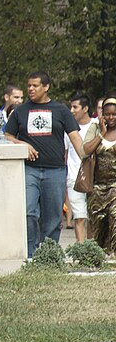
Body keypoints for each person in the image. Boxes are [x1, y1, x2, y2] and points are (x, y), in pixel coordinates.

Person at [4, 72, 85, 258]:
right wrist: (22, 144)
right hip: (29, 169)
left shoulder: (61, 110)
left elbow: (75, 138)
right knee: (28, 211)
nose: (30, 89)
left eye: (35, 86)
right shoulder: (20, 111)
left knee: (53, 217)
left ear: (46, 87)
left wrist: (86, 160)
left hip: (55, 170)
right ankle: (31, 254)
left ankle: (48, 255)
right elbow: (7, 136)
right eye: (29, 86)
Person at [84, 98, 116, 251]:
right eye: (107, 114)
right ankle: (98, 258)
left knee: (115, 221)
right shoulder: (95, 128)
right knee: (97, 228)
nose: (111, 118)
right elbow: (86, 150)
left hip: (115, 187)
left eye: (114, 114)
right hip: (97, 187)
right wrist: (102, 134)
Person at [66, 94, 97, 243]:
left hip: (94, 178)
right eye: (70, 107)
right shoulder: (68, 128)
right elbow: (64, 155)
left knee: (94, 217)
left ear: (85, 108)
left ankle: (94, 249)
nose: (72, 110)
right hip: (74, 178)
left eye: (75, 107)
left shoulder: (97, 125)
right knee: (79, 217)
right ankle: (81, 249)